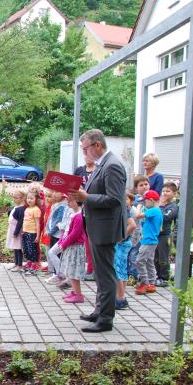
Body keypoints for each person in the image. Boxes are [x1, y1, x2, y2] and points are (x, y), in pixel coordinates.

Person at [68, 129, 128, 333]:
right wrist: (79, 196)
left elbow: (115, 200)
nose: (84, 153)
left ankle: (105, 319)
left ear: (98, 146)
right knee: (101, 275)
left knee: (105, 275)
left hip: (105, 229)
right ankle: (99, 310)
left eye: (85, 149)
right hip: (96, 226)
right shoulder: (103, 164)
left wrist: (86, 198)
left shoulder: (112, 166)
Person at [134, 190, 164, 294]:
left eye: (145, 201)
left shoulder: (154, 211)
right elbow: (160, 229)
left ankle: (145, 283)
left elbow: (138, 215)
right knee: (149, 262)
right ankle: (152, 283)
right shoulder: (158, 211)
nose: (144, 204)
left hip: (148, 241)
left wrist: (138, 207)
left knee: (139, 261)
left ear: (151, 200)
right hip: (153, 240)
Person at [58, 197, 87, 303]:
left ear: (78, 201)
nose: (68, 202)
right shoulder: (72, 214)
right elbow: (66, 231)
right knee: (69, 270)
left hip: (75, 247)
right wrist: (61, 241)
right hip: (70, 246)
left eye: (71, 200)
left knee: (74, 271)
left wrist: (63, 244)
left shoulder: (79, 216)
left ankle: (79, 295)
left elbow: (74, 234)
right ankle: (75, 292)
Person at [114, 191, 138, 310]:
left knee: (116, 270)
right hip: (125, 243)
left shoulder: (122, 207)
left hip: (122, 243)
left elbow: (132, 225)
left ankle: (120, 298)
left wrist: (120, 239)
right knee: (122, 269)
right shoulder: (124, 207)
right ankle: (120, 297)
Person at [126, 175, 150, 285]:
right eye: (141, 185)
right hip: (131, 232)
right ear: (136, 188)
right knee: (129, 254)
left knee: (134, 255)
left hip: (140, 233)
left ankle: (134, 275)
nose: (144, 187)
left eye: (146, 184)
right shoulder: (134, 200)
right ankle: (128, 274)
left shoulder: (150, 199)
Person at [155, 181, 179, 285]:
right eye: (163, 191)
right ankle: (156, 276)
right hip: (156, 234)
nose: (164, 193)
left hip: (165, 235)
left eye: (168, 191)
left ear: (174, 193)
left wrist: (160, 206)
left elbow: (164, 217)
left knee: (163, 257)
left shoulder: (173, 206)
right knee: (155, 257)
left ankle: (164, 277)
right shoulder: (161, 205)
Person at [21, 191, 42, 275]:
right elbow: (24, 221)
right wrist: (23, 230)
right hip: (25, 232)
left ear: (36, 199)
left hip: (32, 233)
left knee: (32, 249)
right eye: (28, 198)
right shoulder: (27, 209)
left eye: (31, 198)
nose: (29, 200)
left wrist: (37, 235)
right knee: (26, 248)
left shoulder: (36, 209)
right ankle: (29, 262)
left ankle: (34, 264)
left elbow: (37, 223)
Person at [5, 190, 26, 272]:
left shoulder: (21, 209)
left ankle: (19, 265)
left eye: (16, 198)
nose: (14, 199)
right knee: (15, 247)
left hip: (16, 231)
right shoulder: (16, 207)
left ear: (22, 198)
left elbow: (20, 222)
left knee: (18, 248)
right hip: (12, 229)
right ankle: (16, 263)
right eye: (13, 197)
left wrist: (16, 233)